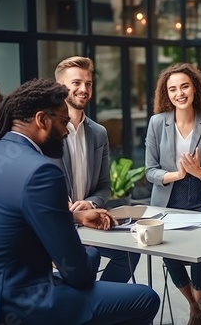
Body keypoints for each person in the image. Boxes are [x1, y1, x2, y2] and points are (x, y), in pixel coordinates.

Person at [0, 78, 159, 324]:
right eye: (64, 121)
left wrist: (74, 216)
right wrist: (87, 256)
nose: (67, 130)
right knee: (145, 297)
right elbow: (78, 275)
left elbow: (12, 213)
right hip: (25, 303)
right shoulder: (41, 172)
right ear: (42, 120)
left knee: (94, 270)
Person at [145, 62, 201, 325]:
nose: (179, 93)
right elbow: (150, 171)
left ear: (195, 88)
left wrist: (198, 172)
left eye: (185, 86)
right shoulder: (157, 122)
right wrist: (176, 175)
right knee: (168, 252)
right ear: (166, 94)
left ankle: (200, 299)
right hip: (168, 198)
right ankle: (193, 305)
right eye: (172, 89)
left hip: (200, 197)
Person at [53, 56, 140, 283]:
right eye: (76, 83)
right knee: (84, 263)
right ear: (60, 87)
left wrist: (91, 203)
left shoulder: (99, 133)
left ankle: (100, 304)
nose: (84, 89)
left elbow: (104, 186)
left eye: (88, 83)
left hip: (91, 224)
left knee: (130, 253)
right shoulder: (47, 131)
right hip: (58, 225)